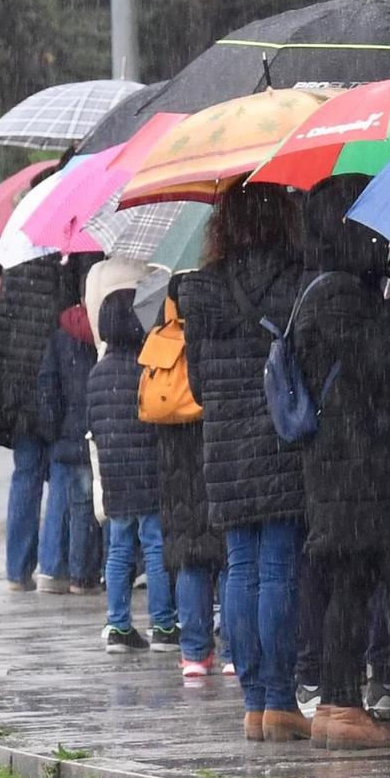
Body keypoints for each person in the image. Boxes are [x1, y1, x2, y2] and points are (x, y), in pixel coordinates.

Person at [292, 174, 390, 750]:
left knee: (348, 586)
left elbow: (356, 350)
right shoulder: (336, 294)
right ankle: (343, 705)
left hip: (340, 469)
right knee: (353, 588)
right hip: (356, 470)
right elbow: (374, 365)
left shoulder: (325, 288)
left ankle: (338, 704)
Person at [175, 184, 309, 735]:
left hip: (226, 449)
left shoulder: (201, 290)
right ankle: (280, 698)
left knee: (241, 570)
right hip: (279, 441)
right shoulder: (297, 281)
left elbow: (200, 385)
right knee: (278, 569)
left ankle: (254, 703)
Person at [86, 289, 172, 655]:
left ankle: (118, 624)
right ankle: (164, 624)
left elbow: (94, 423)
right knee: (155, 546)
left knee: (119, 548)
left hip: (114, 474)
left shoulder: (96, 373)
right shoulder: (145, 367)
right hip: (148, 472)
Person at [155, 281, 224, 678]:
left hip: (174, 462)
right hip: (213, 451)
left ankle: (195, 653)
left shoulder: (159, 340)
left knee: (189, 557)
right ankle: (232, 648)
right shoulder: (216, 328)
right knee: (228, 556)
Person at [0, 253, 64, 589]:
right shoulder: (67, 268)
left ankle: (17, 570)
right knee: (63, 471)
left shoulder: (15, 272)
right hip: (57, 385)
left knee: (26, 475)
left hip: (19, 393)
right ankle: (53, 564)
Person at [36, 301, 99, 596]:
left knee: (71, 505)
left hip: (69, 433)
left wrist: (53, 429)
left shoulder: (62, 335)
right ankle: (91, 573)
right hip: (101, 428)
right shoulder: (108, 329)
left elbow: (48, 385)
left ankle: (64, 571)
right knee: (101, 509)